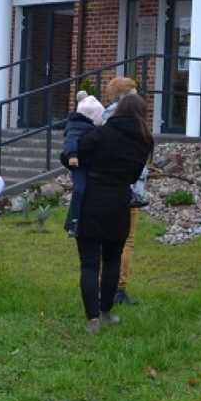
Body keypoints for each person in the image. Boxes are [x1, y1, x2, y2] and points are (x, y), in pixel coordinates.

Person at [74, 92, 154, 333]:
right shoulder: (145, 141)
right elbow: (134, 175)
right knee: (112, 260)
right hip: (120, 202)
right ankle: (106, 312)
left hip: (92, 199)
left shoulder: (101, 132)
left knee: (89, 263)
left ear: (118, 111)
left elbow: (79, 152)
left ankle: (92, 320)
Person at [101, 76, 149, 304]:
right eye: (134, 91)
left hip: (105, 188)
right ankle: (119, 288)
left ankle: (103, 285)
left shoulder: (104, 119)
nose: (138, 94)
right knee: (126, 240)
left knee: (106, 239)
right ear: (126, 95)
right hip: (130, 190)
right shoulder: (134, 121)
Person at [60, 91, 104, 235]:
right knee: (79, 190)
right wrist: (72, 155)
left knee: (87, 191)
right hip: (79, 165)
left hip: (89, 164)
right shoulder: (77, 126)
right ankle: (74, 222)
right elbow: (70, 140)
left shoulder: (92, 127)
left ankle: (78, 221)